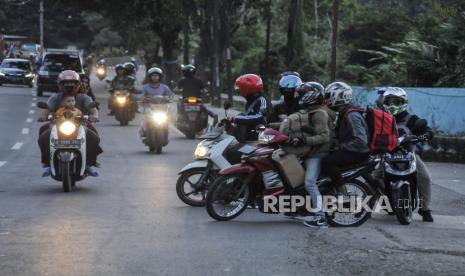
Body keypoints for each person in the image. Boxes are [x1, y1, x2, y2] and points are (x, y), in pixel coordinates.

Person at [279, 84, 335, 228]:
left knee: (309, 182)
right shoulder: (310, 111)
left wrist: (303, 140)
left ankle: (321, 217)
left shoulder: (319, 113)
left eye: (303, 94)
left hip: (318, 153)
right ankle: (299, 208)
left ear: (313, 95)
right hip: (309, 151)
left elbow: (323, 137)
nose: (300, 96)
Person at [381, 87, 434, 222]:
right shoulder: (381, 119)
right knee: (374, 176)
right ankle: (373, 205)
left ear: (403, 103)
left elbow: (427, 129)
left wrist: (425, 135)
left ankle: (425, 208)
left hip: (410, 154)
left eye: (397, 102)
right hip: (386, 154)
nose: (392, 105)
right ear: (384, 102)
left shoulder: (412, 119)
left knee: (425, 177)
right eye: (389, 101)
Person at [38, 70, 101, 177]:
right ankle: (48, 163)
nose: (69, 86)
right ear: (60, 84)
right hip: (57, 126)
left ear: (78, 84)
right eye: (65, 84)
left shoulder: (84, 97)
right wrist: (44, 116)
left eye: (72, 83)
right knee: (43, 135)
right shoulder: (55, 97)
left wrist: (93, 117)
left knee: (95, 138)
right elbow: (47, 109)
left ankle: (89, 164)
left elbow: (93, 110)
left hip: (81, 125)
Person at [321, 82, 371, 192]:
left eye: (329, 96)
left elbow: (361, 141)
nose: (326, 99)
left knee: (327, 162)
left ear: (339, 97)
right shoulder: (343, 112)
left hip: (358, 152)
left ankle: (341, 190)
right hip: (351, 150)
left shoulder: (352, 115)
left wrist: (339, 147)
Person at [230, 74, 273, 141]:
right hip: (251, 137)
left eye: (241, 87)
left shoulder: (262, 101)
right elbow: (248, 118)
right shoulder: (251, 101)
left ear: (247, 88)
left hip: (263, 139)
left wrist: (236, 119)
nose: (239, 90)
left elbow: (260, 117)